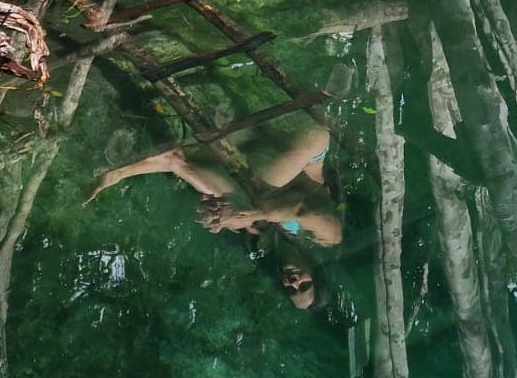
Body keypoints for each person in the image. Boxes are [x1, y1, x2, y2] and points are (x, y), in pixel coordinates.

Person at [88, 123, 340, 308]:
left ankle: (125, 172)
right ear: (316, 273)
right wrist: (246, 215)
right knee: (247, 204)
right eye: (304, 285)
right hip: (311, 145)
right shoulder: (328, 239)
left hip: (260, 154)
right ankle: (173, 163)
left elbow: (247, 213)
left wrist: (221, 216)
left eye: (291, 290)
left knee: (229, 211)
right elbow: (301, 210)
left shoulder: (270, 246)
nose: (293, 282)